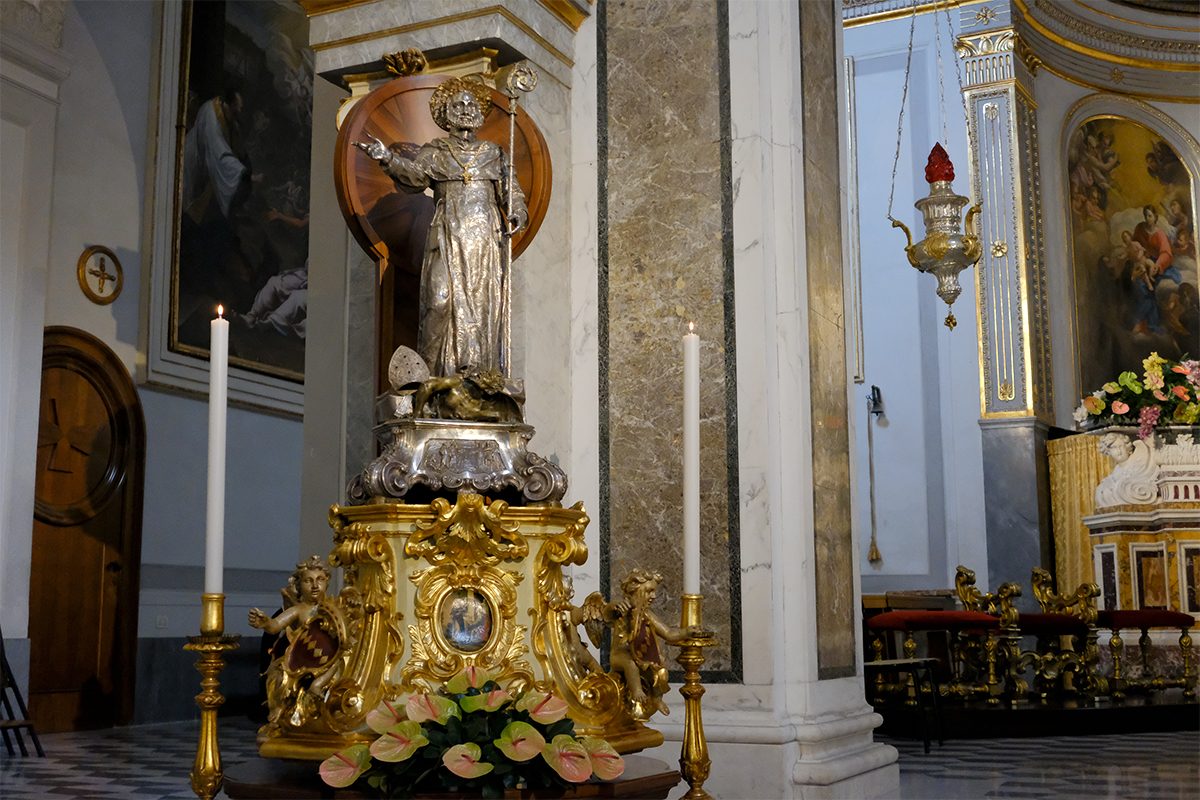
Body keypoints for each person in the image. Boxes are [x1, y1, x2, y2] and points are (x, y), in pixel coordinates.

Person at [357, 78, 528, 378]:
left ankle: (478, 377)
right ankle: (432, 381)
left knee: (481, 306)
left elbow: (511, 192)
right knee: (439, 300)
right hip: (447, 234)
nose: (465, 110)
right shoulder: (435, 152)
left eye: (471, 104)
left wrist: (517, 212)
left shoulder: (494, 153)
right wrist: (386, 157)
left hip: (484, 239)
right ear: (446, 113)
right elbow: (412, 178)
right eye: (458, 105)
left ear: (479, 112)